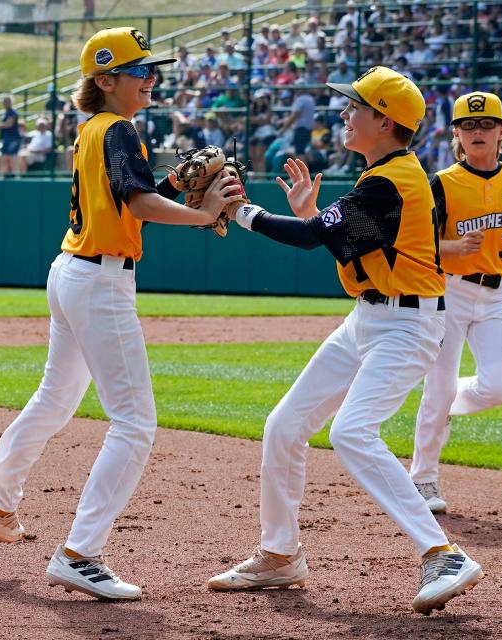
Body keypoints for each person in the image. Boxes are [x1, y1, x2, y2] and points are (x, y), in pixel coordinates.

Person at [0, 26, 243, 601]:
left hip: (71, 271)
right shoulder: (117, 128)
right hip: (98, 282)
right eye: (139, 71)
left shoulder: (96, 129)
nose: (150, 80)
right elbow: (137, 204)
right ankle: (81, 553)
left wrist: (170, 184)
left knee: (55, 399)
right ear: (105, 79)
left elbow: (129, 195)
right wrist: (204, 210)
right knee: (135, 423)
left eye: (151, 70)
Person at [207, 67, 485, 616]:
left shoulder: (392, 181)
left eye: (354, 106)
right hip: (367, 320)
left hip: (407, 327)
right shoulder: (383, 178)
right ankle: (280, 554)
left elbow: (311, 239)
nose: (343, 113)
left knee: (353, 432)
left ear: (384, 120)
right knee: (284, 426)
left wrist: (237, 210)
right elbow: (341, 245)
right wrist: (309, 213)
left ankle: (442, 553)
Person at [408, 91, 502, 514]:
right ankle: (422, 478)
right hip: (449, 291)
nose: (477, 131)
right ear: (456, 134)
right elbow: (421, 246)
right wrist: (454, 248)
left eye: (485, 124)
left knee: (498, 388)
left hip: (497, 295)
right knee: (439, 385)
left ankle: (439, 405)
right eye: (468, 125)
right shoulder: (442, 182)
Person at [0, 95, 22, 176]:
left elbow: (9, 124)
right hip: (6, 138)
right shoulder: (5, 113)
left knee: (12, 157)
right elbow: (4, 125)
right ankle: (2, 176)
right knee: (5, 157)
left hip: (13, 138)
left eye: (6, 102)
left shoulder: (12, 112)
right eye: (4, 102)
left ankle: (16, 177)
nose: (5, 103)